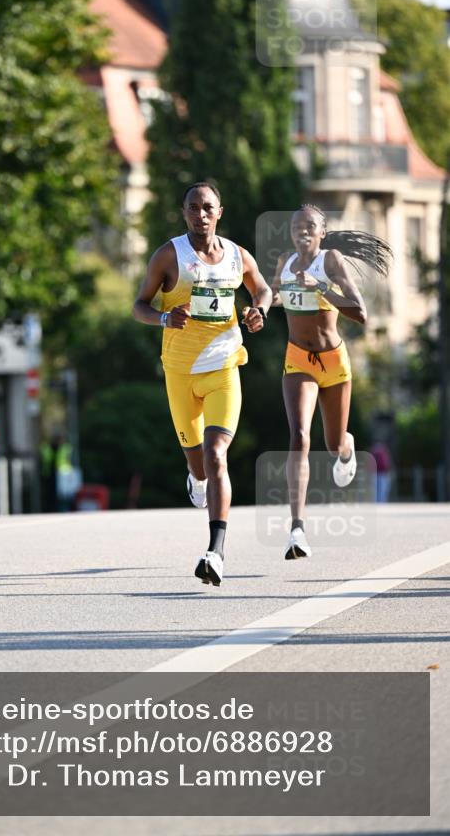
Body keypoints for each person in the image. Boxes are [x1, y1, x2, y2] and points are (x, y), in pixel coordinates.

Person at [133, 182, 271, 587]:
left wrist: (259, 310)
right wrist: (162, 318)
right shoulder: (168, 255)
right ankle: (195, 479)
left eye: (208, 207)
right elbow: (139, 305)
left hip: (225, 365)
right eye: (193, 207)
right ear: (184, 213)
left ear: (219, 212)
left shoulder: (235, 256)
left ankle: (216, 551)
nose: (201, 214)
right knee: (199, 465)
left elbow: (261, 287)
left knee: (216, 453)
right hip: (179, 371)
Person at [270, 204, 392, 559]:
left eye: (310, 226)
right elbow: (277, 297)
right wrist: (261, 308)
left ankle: (346, 449)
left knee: (333, 442)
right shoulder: (285, 262)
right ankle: (297, 529)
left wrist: (321, 288)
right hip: (297, 360)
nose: (302, 231)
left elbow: (361, 313)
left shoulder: (331, 261)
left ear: (322, 232)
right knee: (299, 436)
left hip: (334, 362)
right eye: (296, 226)